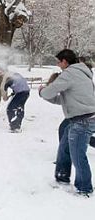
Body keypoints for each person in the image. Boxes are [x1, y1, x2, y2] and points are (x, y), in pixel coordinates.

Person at [39, 49, 95, 197]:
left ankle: (84, 188)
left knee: (78, 155)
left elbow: (50, 91)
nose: (58, 64)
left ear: (65, 61)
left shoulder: (70, 73)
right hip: (80, 118)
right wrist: (46, 96)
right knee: (64, 149)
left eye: (58, 61)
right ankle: (62, 177)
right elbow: (64, 99)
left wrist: (42, 91)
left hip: (83, 120)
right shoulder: (83, 73)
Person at [47, 71, 95, 147]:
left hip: (83, 113)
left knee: (66, 130)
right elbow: (61, 100)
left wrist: (45, 93)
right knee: (78, 132)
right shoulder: (71, 82)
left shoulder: (69, 84)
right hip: (84, 112)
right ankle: (65, 152)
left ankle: (64, 153)